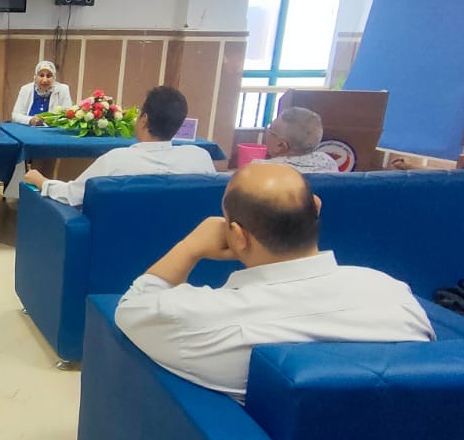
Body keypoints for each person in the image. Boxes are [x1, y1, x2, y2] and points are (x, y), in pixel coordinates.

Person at [115, 164, 435, 403]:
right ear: (316, 207)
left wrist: (190, 247)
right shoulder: (395, 296)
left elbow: (132, 308)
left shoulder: (202, 320)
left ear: (238, 235)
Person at [24, 86, 216, 207]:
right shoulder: (200, 158)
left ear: (144, 119)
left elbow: (72, 196)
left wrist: (42, 181)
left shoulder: (116, 161)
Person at [258, 107, 339, 173]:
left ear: (280, 146)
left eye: (270, 129)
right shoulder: (328, 162)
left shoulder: (261, 169)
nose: (267, 132)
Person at [11, 61, 74, 126]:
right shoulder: (25, 89)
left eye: (49, 76)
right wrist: (30, 120)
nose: (45, 80)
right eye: (41, 75)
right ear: (35, 77)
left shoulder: (63, 89)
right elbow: (15, 115)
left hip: (53, 130)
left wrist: (51, 121)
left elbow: (68, 115)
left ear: (54, 78)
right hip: (29, 128)